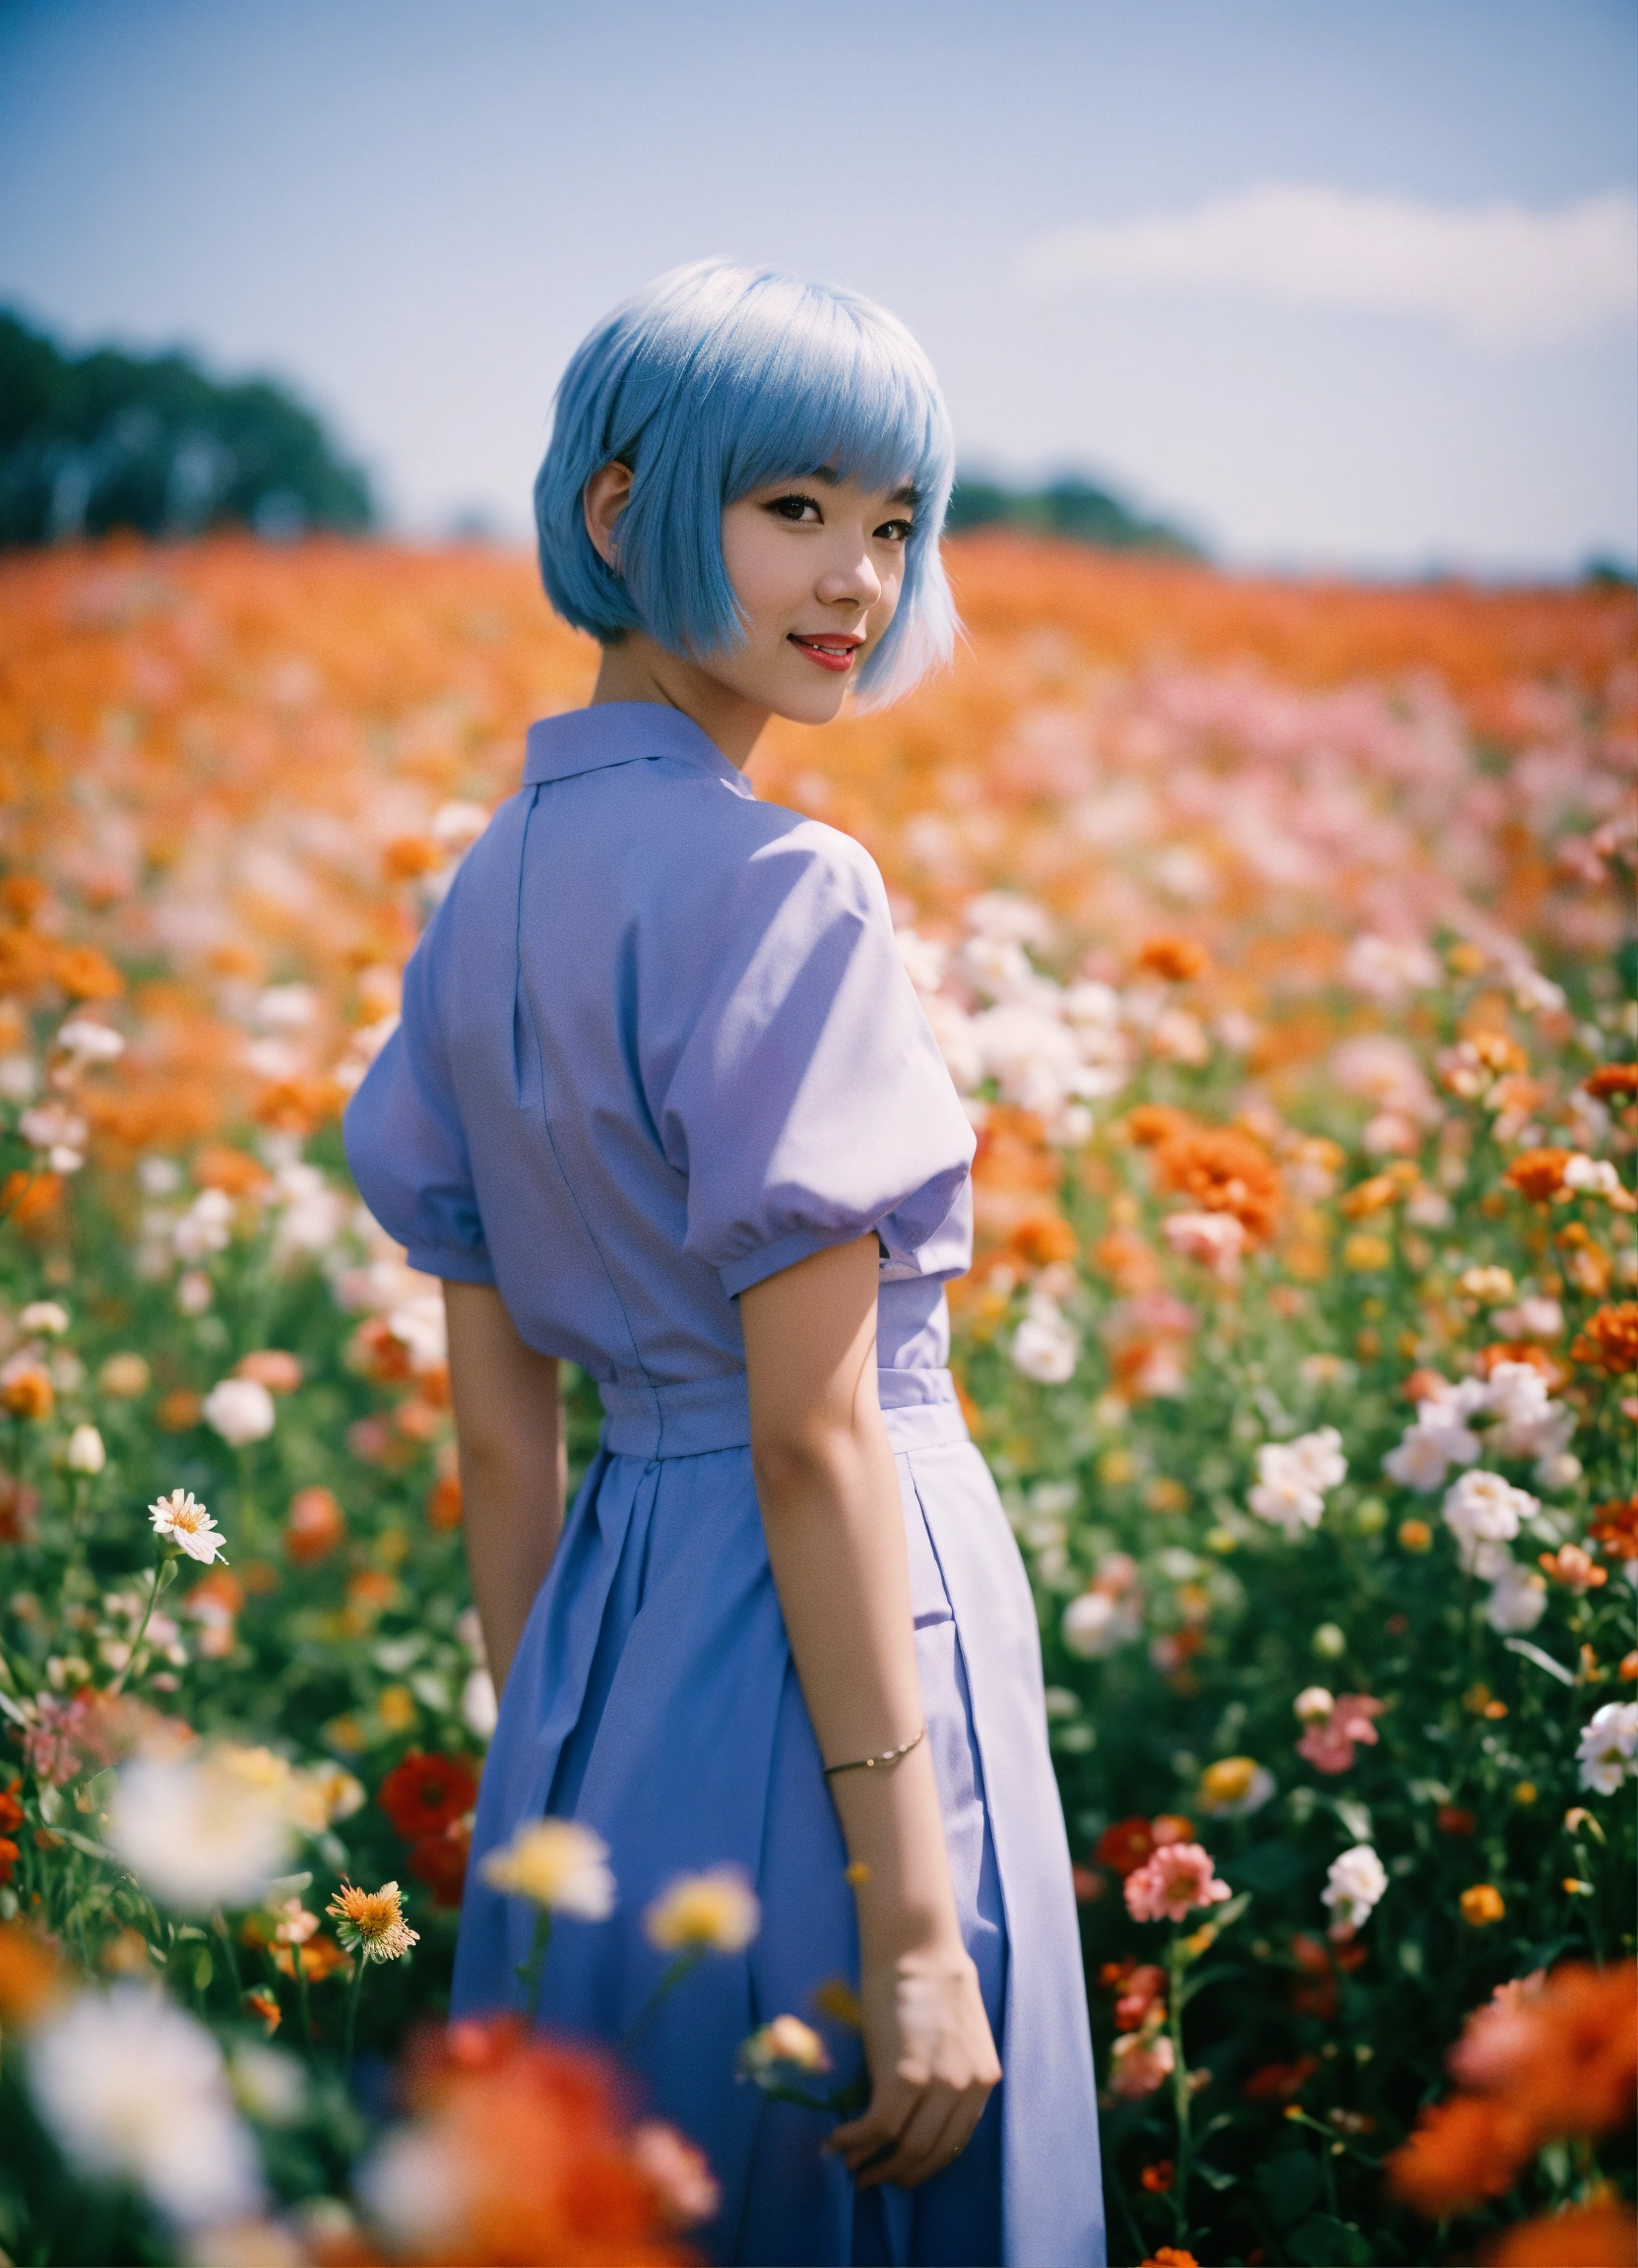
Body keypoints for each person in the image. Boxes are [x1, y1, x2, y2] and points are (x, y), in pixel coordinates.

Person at [344, 259, 1103, 2268]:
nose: (854, 573)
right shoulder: (790, 888)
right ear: (620, 514)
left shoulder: (475, 898)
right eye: (794, 508)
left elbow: (505, 1453)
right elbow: (813, 1440)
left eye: (892, 520)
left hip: (597, 1673)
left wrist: (549, 1810)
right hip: (833, 1653)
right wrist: (918, 1919)